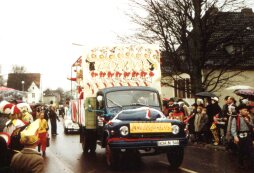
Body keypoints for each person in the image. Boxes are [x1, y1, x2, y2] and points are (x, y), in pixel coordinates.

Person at [230, 104, 254, 169]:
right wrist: (235, 136)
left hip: (248, 136)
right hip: (240, 136)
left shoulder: (249, 117)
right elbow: (233, 128)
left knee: (250, 150)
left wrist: (248, 121)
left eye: (247, 110)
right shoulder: (236, 118)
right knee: (241, 151)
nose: (247, 111)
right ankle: (240, 164)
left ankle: (251, 164)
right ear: (240, 110)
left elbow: (252, 126)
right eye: (245, 110)